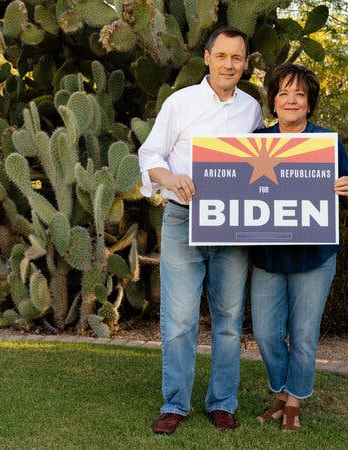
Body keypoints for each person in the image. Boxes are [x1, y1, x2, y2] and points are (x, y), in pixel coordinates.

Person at [138, 26, 263, 435]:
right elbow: (151, 154)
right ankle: (175, 403)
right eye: (222, 55)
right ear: (207, 57)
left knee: (228, 319)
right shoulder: (180, 102)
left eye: (238, 58)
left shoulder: (252, 110)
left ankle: (222, 403)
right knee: (178, 319)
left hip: (233, 226)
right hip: (183, 219)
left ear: (245, 64)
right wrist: (171, 179)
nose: (229, 64)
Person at [250, 63, 348, 431]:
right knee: (266, 333)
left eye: (299, 94)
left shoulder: (327, 142)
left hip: (314, 255)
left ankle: (292, 400)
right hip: (268, 255)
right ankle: (283, 392)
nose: (291, 100)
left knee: (303, 334)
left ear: (310, 103)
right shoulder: (256, 141)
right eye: (283, 93)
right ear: (274, 101)